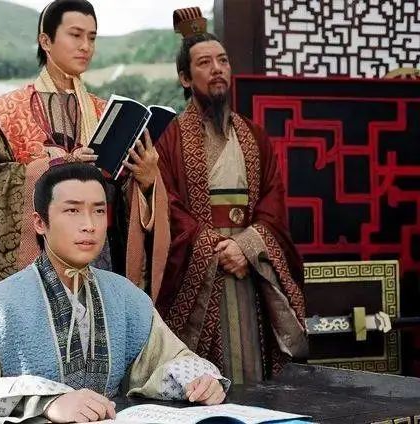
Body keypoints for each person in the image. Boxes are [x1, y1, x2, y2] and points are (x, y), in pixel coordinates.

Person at [0, 163, 228, 422]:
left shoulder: (125, 296)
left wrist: (198, 380)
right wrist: (46, 401)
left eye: (98, 211)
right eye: (72, 210)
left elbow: (168, 358)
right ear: (40, 223)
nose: (89, 225)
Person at [0, 0, 169, 296]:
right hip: (41, 258)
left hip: (102, 254)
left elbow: (122, 199)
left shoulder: (106, 113)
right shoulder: (6, 114)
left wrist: (147, 182)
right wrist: (52, 167)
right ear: (45, 41)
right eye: (76, 35)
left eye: (92, 37)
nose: (86, 46)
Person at [155, 7, 308, 384]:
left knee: (252, 365)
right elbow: (167, 206)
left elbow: (273, 204)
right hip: (204, 267)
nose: (217, 69)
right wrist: (214, 248)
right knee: (207, 380)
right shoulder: (170, 139)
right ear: (185, 78)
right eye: (204, 63)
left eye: (223, 61)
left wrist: (246, 247)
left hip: (249, 265)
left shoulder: (255, 136)